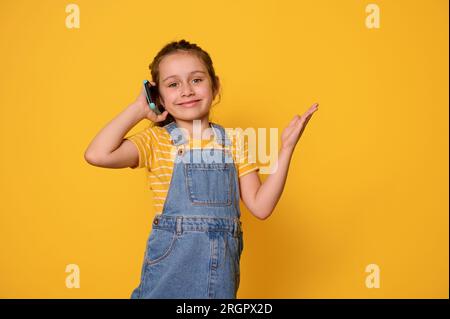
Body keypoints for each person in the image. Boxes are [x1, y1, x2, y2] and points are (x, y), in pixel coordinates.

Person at [84, 39, 319, 299]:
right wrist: (139, 109)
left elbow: (261, 207)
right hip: (167, 279)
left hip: (219, 281)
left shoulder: (234, 142)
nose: (186, 91)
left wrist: (286, 149)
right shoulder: (155, 141)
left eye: (196, 80)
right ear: (158, 97)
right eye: (173, 84)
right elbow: (97, 154)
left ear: (215, 85)